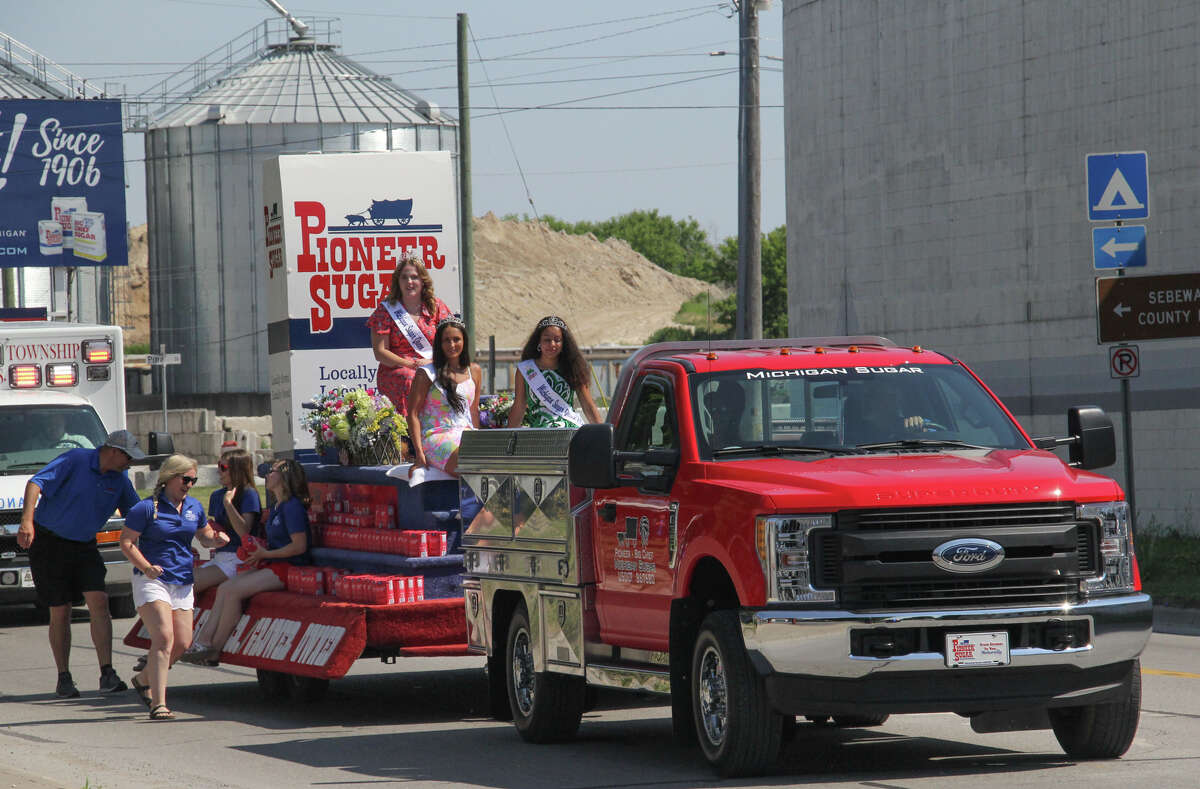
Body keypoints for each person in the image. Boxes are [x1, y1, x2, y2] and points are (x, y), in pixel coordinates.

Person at [16, 430, 144, 698]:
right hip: (49, 542)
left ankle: (107, 672)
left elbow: (137, 512)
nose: (129, 463)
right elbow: (35, 483)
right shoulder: (76, 459)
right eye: (128, 457)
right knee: (60, 609)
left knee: (99, 600)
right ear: (113, 451)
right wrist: (27, 521)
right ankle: (64, 677)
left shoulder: (119, 479)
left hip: (84, 544)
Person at [131, 448, 261, 674]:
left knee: (189, 582)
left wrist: (230, 505)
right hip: (220, 556)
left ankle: (169, 650)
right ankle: (163, 648)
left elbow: (244, 531)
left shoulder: (248, 494)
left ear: (237, 470)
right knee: (170, 589)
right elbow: (207, 530)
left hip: (238, 559)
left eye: (224, 467)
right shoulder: (215, 495)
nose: (219, 472)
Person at [120, 455, 228, 720]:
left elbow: (203, 536)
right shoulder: (146, 508)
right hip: (152, 580)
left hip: (182, 579)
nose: (189, 484)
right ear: (169, 478)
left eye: (193, 480)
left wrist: (216, 540)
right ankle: (159, 703)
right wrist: (146, 567)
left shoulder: (193, 506)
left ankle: (144, 679)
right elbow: (127, 542)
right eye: (185, 479)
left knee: (182, 642)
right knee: (164, 638)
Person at [179, 459, 312, 667]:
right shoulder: (278, 506)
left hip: (289, 567)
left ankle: (214, 649)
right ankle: (204, 642)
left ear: (285, 477)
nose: (267, 475)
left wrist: (265, 554)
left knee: (233, 592)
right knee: (224, 589)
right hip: (271, 563)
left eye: (272, 471)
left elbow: (299, 547)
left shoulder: (292, 506)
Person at [365, 254, 453, 415]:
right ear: (398, 281)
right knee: (411, 378)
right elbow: (380, 352)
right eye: (404, 277)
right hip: (398, 369)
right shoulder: (386, 310)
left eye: (414, 277)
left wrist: (432, 361)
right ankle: (409, 432)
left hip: (433, 362)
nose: (409, 282)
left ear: (423, 281)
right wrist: (409, 364)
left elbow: (452, 341)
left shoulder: (436, 306)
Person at [406, 315, 481, 478]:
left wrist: (479, 439)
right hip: (437, 437)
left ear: (464, 341)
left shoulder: (474, 370)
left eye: (456, 339)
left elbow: (473, 411)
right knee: (470, 463)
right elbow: (412, 414)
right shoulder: (426, 373)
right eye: (446, 340)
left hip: (467, 435)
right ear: (439, 344)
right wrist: (419, 454)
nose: (452, 345)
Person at [506, 315, 602, 428]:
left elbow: (588, 406)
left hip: (568, 431)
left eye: (557, 340)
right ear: (538, 342)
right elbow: (519, 406)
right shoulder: (525, 370)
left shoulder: (573, 368)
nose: (552, 344)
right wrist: (509, 438)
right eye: (547, 340)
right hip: (538, 434)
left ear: (563, 344)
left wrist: (603, 434)